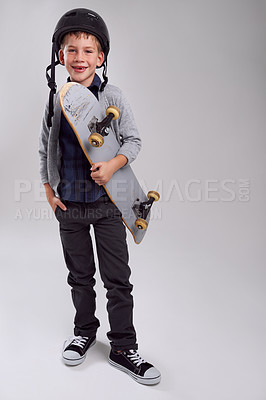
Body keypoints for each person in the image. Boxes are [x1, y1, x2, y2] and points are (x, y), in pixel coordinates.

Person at [39, 8, 161, 385]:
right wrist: (48, 186)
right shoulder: (57, 99)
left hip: (110, 205)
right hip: (70, 204)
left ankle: (124, 346)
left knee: (117, 279)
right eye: (71, 50)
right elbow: (46, 145)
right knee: (80, 276)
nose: (79, 57)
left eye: (88, 51)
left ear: (101, 57)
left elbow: (135, 140)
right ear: (61, 56)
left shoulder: (114, 96)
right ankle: (85, 331)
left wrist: (113, 165)